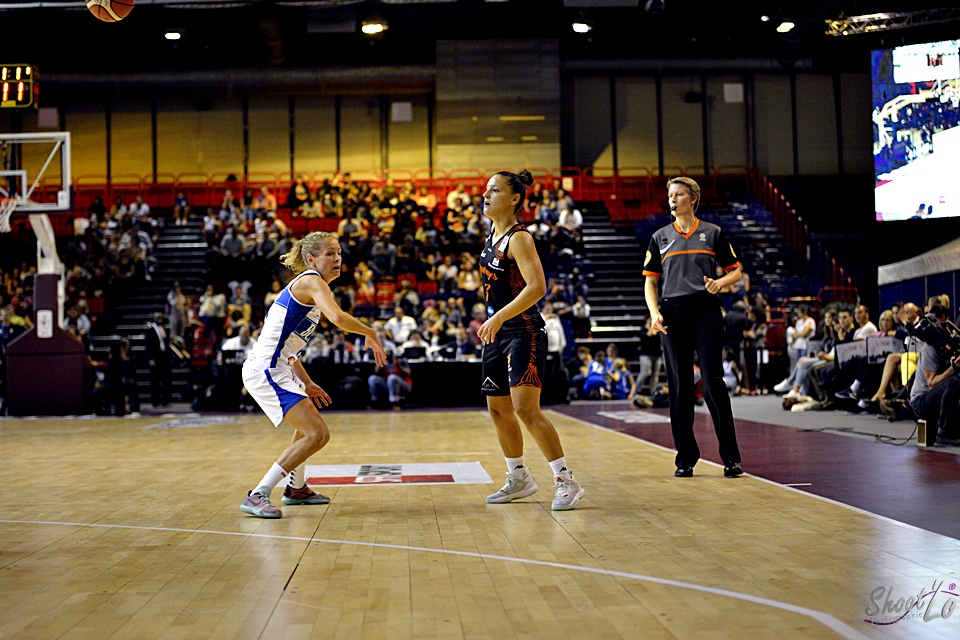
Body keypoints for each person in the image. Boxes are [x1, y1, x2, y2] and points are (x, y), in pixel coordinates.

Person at [239, 231, 387, 518]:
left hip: (279, 366)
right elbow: (338, 317)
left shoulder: (311, 288)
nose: (337, 258)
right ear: (311, 259)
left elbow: (289, 349)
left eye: (339, 253)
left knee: (306, 428)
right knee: (318, 433)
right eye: (330, 253)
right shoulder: (311, 281)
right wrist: (370, 332)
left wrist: (306, 382)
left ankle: (296, 488)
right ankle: (257, 493)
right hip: (266, 369)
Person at [477, 169, 585, 511]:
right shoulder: (491, 235)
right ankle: (519, 476)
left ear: (514, 199)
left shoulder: (519, 238)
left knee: (525, 408)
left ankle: (566, 480)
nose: (485, 195)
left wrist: (498, 316)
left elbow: (537, 288)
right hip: (498, 333)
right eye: (486, 189)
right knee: (498, 409)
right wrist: (494, 320)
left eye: (494, 190)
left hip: (524, 332)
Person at [642, 176, 744, 478]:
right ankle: (685, 457)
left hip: (706, 312)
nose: (673, 199)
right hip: (672, 314)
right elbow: (650, 282)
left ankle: (731, 458)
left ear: (693, 199)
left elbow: (736, 272)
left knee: (713, 382)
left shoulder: (713, 233)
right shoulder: (659, 237)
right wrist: (654, 313)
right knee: (680, 386)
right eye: (670, 195)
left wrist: (719, 283)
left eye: (678, 194)